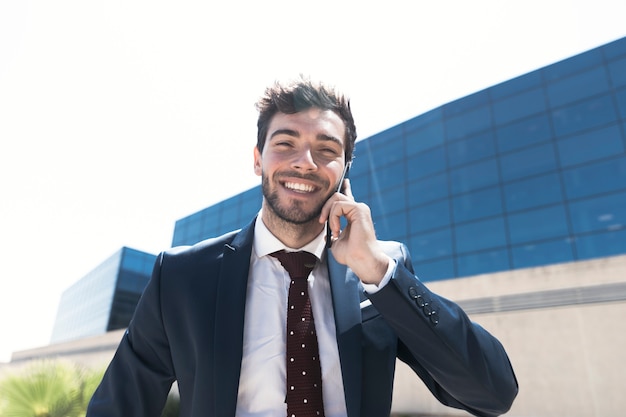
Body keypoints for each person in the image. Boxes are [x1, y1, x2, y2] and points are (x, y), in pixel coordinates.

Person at [87, 77, 518, 417]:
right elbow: (118, 407)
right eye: (286, 143)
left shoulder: (382, 272)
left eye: (326, 150)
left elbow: (492, 393)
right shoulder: (181, 277)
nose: (304, 162)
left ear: (345, 170)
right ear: (258, 159)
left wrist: (377, 272)